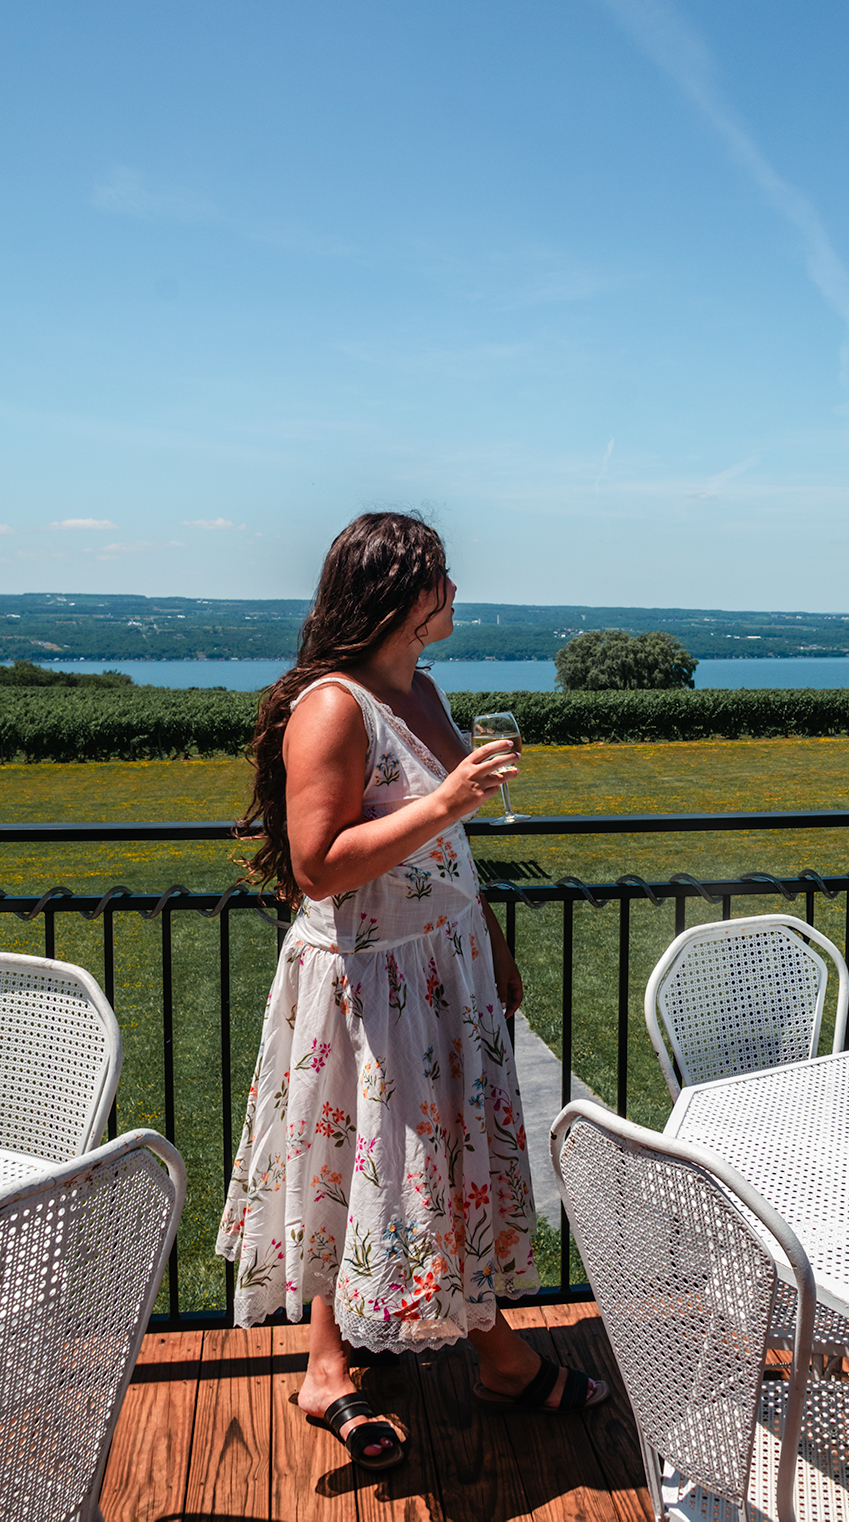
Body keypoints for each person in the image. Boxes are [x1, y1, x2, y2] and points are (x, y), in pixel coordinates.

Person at [217, 512, 606, 1470]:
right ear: (400, 595)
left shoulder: (422, 689)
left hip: (442, 968)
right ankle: (499, 1357)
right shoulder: (333, 707)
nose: (455, 594)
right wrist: (446, 800)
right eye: (440, 578)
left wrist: (494, 943)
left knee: (381, 1162)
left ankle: (325, 1364)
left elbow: (446, 849)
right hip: (369, 982)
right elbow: (317, 867)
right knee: (396, 1163)